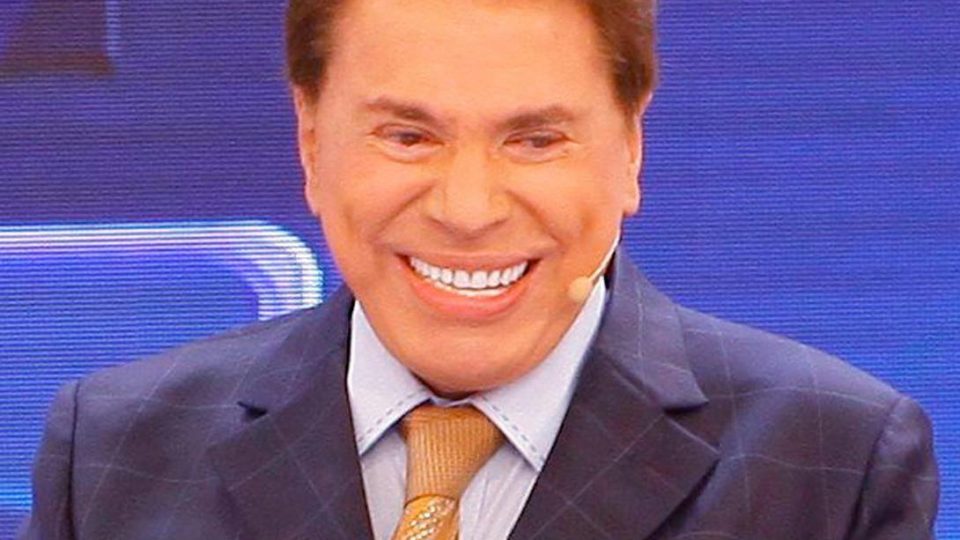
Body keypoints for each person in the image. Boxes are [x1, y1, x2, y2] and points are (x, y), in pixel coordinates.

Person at [21, 0, 939, 538]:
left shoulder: (832, 462)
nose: (467, 209)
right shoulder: (114, 452)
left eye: (535, 140)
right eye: (407, 136)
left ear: (629, 146)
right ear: (310, 141)